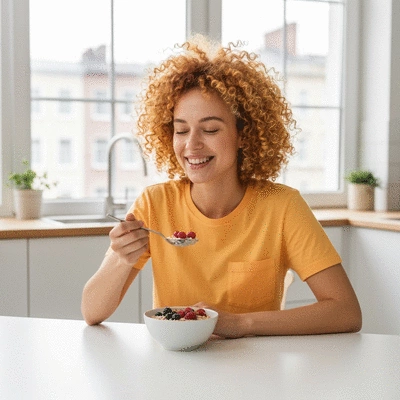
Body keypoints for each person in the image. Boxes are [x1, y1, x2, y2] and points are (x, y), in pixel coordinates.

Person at [81, 35, 362, 337]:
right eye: (181, 130)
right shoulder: (155, 204)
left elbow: (346, 311)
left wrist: (241, 323)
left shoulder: (282, 207)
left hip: (255, 368)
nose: (192, 145)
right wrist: (121, 258)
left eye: (210, 129)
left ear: (244, 134)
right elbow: (92, 312)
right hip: (177, 368)